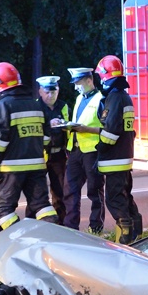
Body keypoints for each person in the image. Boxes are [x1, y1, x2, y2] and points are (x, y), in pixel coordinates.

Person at [0, 62, 58, 231]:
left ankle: (19, 239)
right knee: (42, 205)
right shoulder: (36, 104)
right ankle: (51, 238)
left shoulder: (4, 104)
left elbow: (0, 139)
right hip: (37, 166)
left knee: (3, 210)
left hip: (12, 168)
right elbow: (47, 137)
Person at [93, 55, 142, 244]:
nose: (100, 80)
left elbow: (111, 130)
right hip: (124, 157)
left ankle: (125, 241)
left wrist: (100, 148)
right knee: (125, 195)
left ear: (106, 75)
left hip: (114, 159)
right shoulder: (124, 97)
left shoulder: (114, 98)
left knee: (114, 199)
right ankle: (137, 234)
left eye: (101, 76)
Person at [62, 67, 104, 233]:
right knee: (70, 190)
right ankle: (71, 228)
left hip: (92, 151)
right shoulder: (79, 98)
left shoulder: (101, 99)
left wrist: (86, 129)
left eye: (78, 83)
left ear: (89, 80)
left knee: (95, 191)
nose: (75, 87)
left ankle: (96, 227)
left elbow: (106, 129)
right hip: (75, 150)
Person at [36, 75, 70, 225]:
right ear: (40, 92)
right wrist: (48, 125)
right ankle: (36, 226)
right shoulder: (35, 108)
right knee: (37, 194)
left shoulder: (63, 107)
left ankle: (60, 225)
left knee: (59, 193)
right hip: (39, 156)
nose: (51, 96)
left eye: (54, 92)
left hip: (59, 156)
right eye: (47, 92)